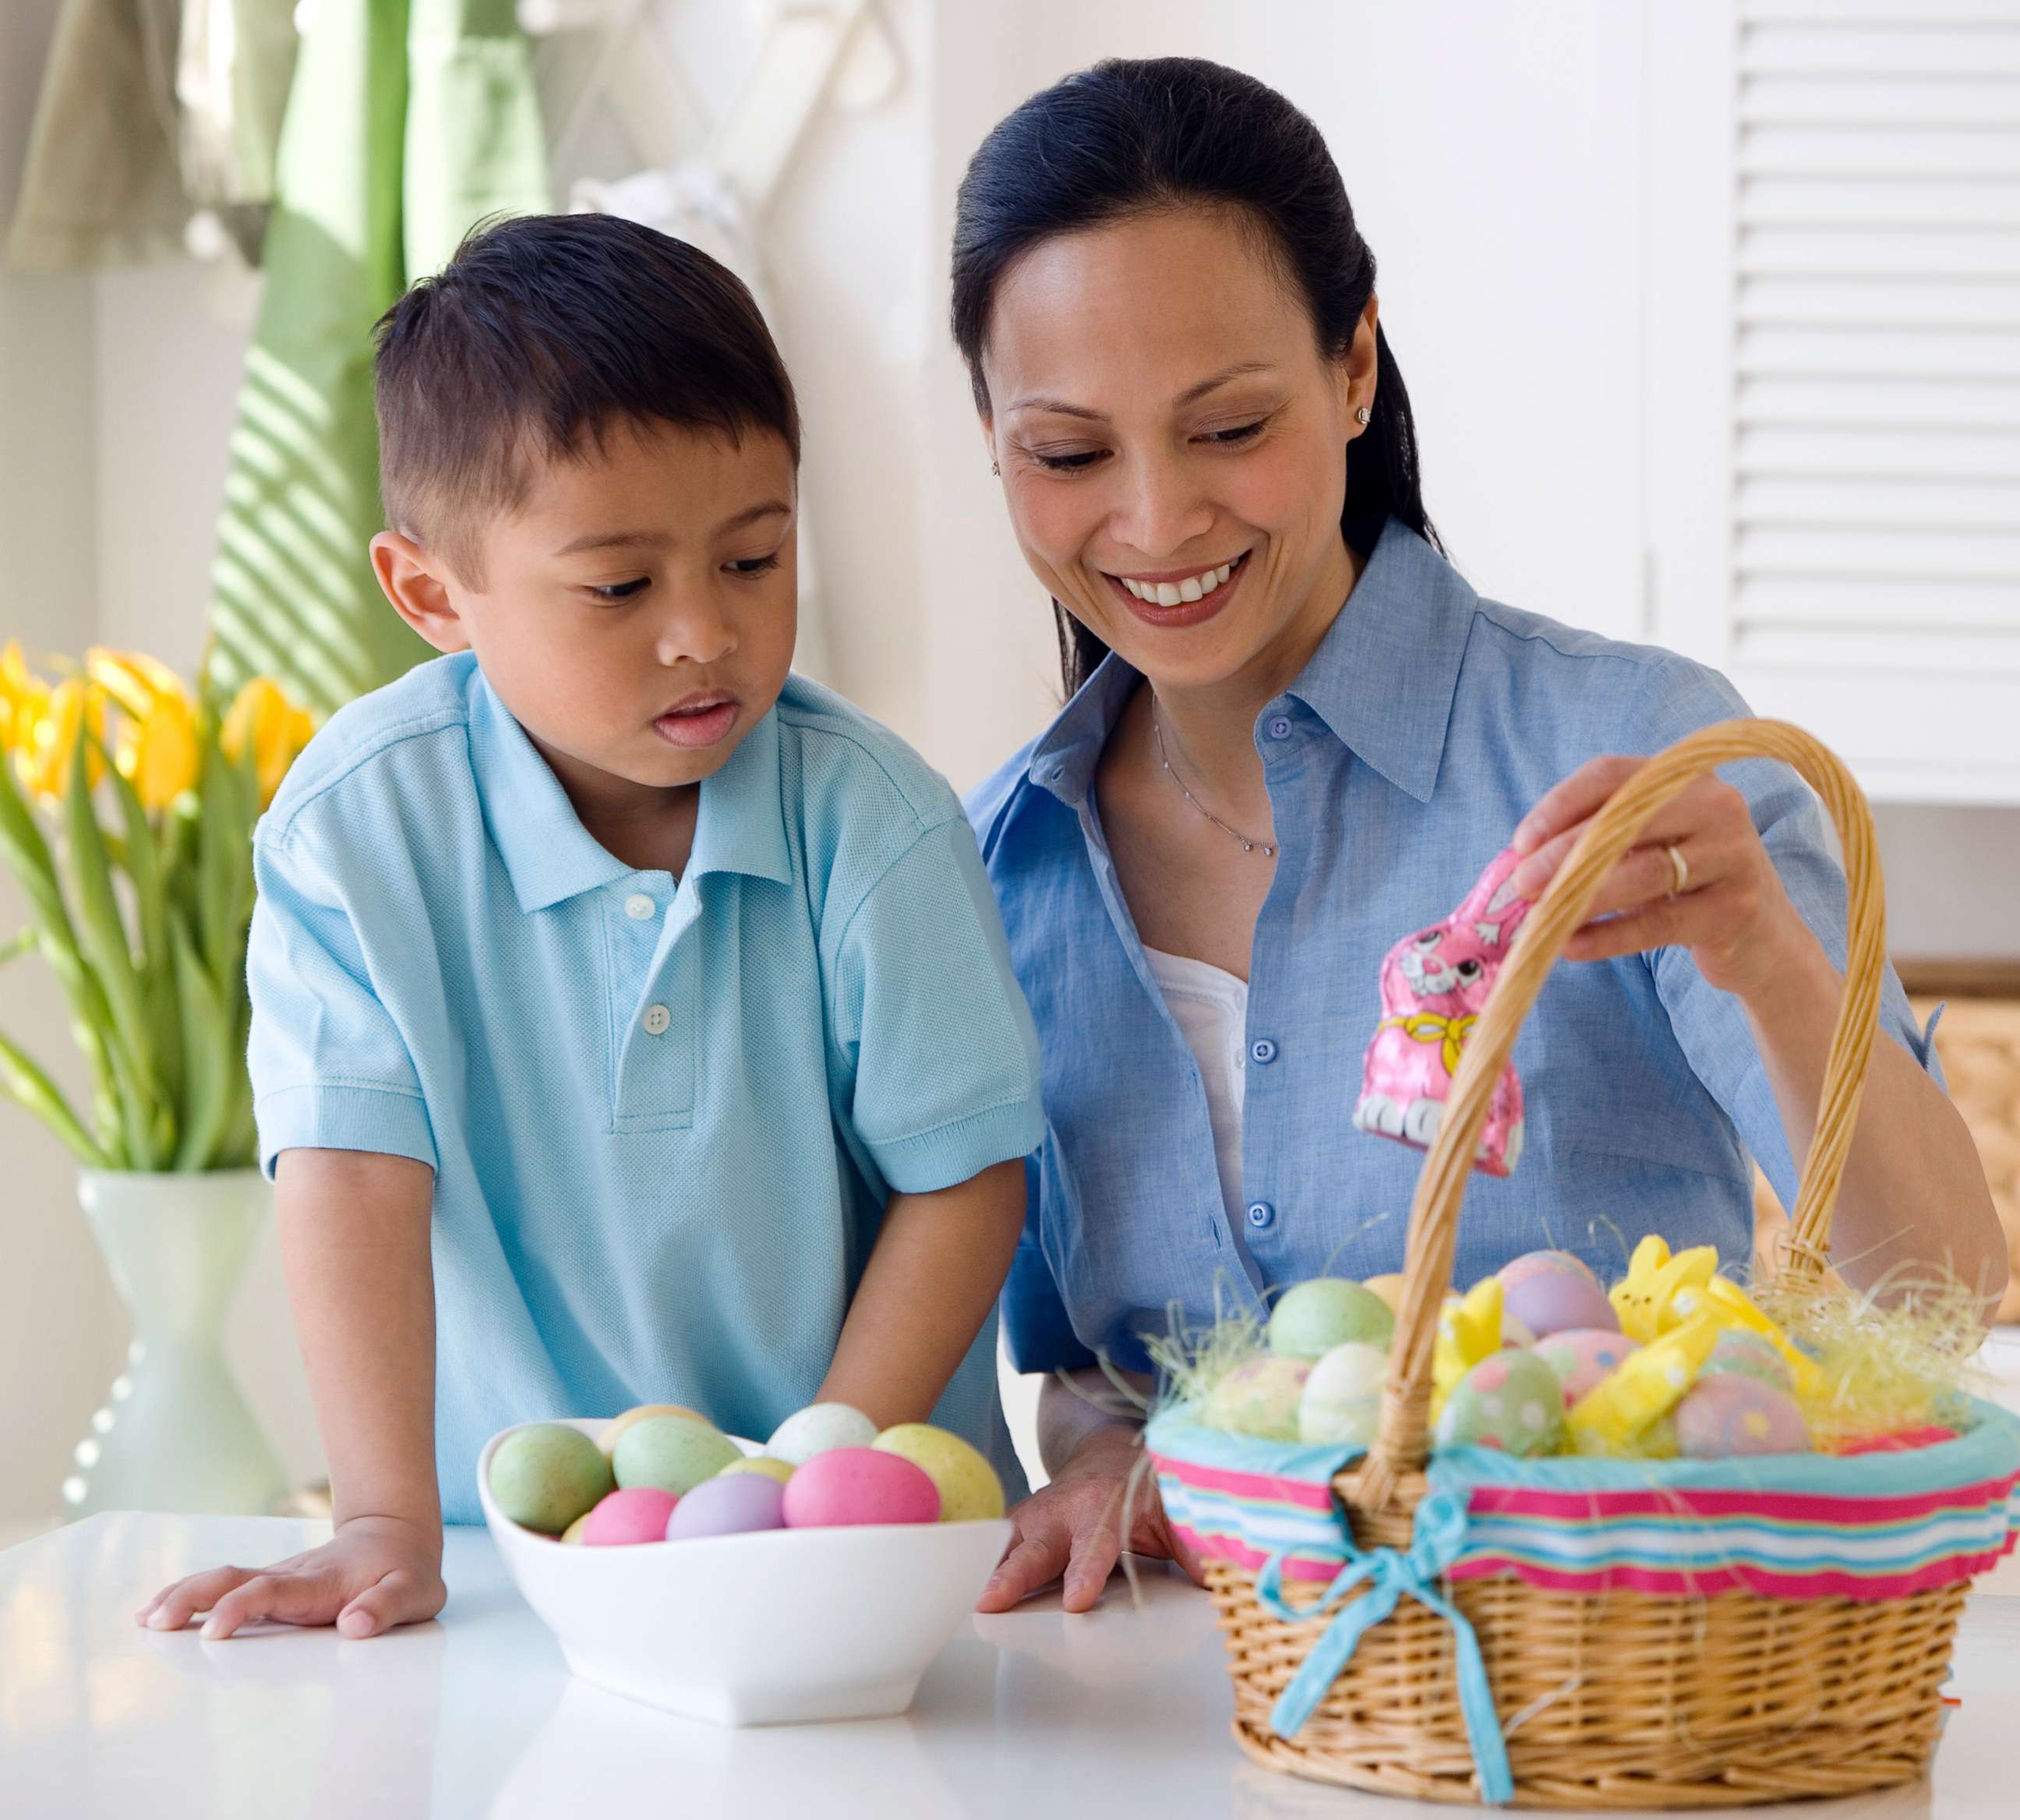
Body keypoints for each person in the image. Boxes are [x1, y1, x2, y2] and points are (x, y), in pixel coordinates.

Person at [952, 58, 2006, 1613]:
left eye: (1230, 424)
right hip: (1207, 1714)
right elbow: (1099, 1378)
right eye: (1068, 453)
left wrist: (1768, 959)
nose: (1159, 520)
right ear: (992, 439)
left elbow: (1944, 1290)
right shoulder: (999, 871)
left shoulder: (1629, 758)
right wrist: (1108, 1461)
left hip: (1616, 1692)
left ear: (1355, 368)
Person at [136, 214, 1043, 1642]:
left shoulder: (873, 823)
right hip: (512, 1573)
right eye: (620, 587)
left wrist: (817, 1489)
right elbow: (352, 1180)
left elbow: (965, 1177)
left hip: (874, 1579)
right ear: (433, 593)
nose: (703, 632)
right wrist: (377, 1523)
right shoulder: (354, 834)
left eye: (754, 559)